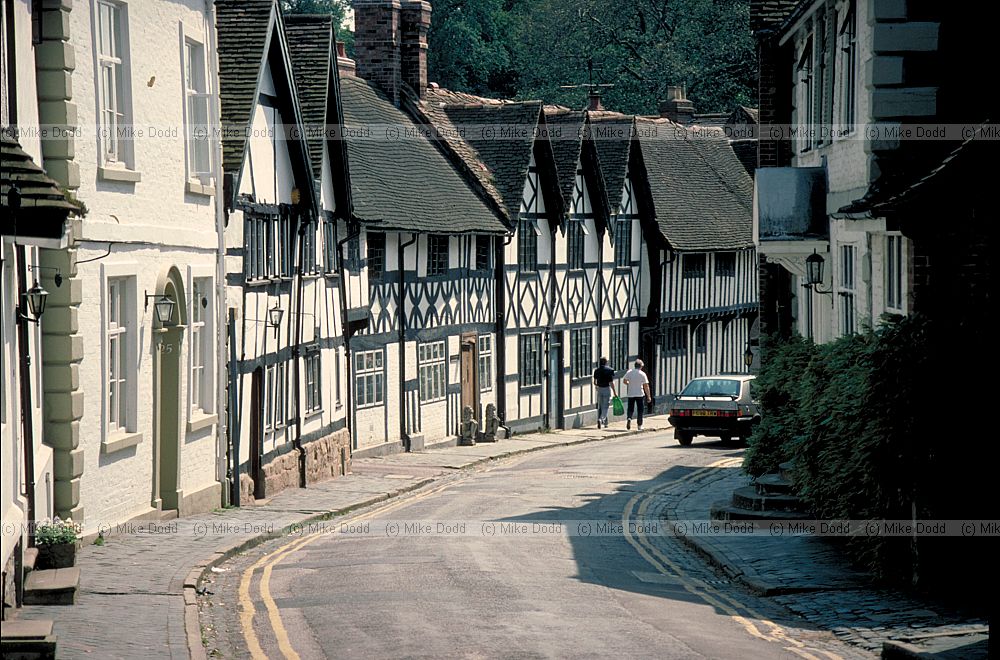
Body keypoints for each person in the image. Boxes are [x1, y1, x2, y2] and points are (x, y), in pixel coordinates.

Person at [622, 359, 651, 430]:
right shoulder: (642, 374)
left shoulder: (629, 372)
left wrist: (629, 383)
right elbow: (646, 386)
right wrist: (648, 396)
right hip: (639, 394)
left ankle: (629, 418)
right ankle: (639, 425)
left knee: (630, 408)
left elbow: (624, 381)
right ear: (641, 366)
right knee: (640, 409)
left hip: (631, 393)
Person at [592, 357, 616, 428]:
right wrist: (614, 392)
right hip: (606, 388)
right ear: (606, 362)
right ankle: (601, 419)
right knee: (606, 405)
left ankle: (605, 422)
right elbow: (611, 382)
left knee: (601, 405)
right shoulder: (609, 370)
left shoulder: (596, 370)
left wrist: (597, 386)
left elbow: (594, 382)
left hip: (599, 389)